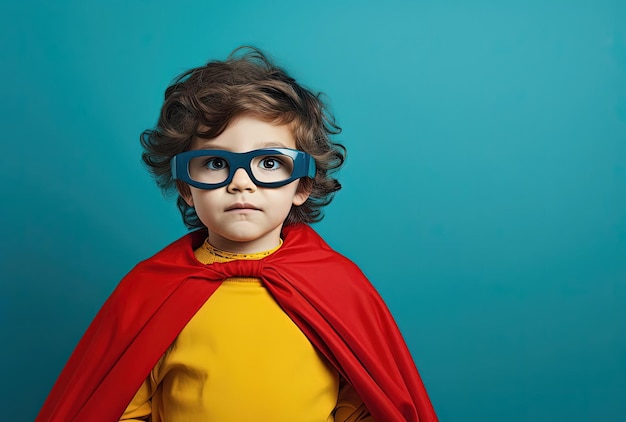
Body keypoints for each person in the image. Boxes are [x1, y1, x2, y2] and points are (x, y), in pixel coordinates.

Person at [37, 47, 438, 422]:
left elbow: (365, 407)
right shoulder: (149, 292)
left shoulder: (340, 288)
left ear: (301, 185)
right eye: (214, 162)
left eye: (269, 162)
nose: (241, 183)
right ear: (185, 187)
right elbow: (118, 408)